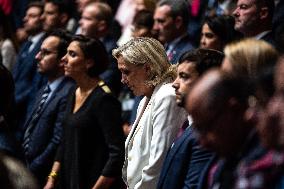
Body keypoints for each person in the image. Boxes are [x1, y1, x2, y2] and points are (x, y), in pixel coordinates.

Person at [44, 35, 125, 189]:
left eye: (72, 54)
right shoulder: (73, 91)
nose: (63, 59)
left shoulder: (104, 99)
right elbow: (64, 141)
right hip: (68, 180)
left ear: (89, 62)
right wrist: (52, 179)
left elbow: (117, 154)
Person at [112, 37, 187, 189]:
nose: (122, 80)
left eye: (126, 72)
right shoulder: (145, 100)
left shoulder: (167, 95)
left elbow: (158, 160)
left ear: (148, 68)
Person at [157, 48, 223, 189]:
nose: (175, 84)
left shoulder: (205, 135)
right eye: (176, 76)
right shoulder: (190, 124)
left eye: (184, 76)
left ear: (206, 82)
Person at [186, 69, 261, 189]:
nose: (202, 142)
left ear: (234, 109)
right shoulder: (227, 155)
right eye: (198, 130)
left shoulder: (265, 165)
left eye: (207, 127)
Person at [22, 30, 74, 187]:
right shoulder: (45, 86)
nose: (37, 57)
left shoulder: (69, 92)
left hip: (42, 174)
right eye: (39, 51)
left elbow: (58, 140)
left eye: (45, 53)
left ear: (61, 60)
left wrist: (34, 167)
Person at [13, 1, 47, 140]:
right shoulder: (28, 43)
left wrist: (11, 103)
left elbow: (33, 84)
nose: (25, 19)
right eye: (26, 15)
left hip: (21, 113)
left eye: (32, 16)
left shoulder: (44, 46)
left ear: (42, 19)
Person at [79, 2, 121, 95]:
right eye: (82, 17)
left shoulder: (112, 52)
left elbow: (104, 85)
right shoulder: (82, 44)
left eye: (87, 19)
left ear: (101, 25)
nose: (80, 22)